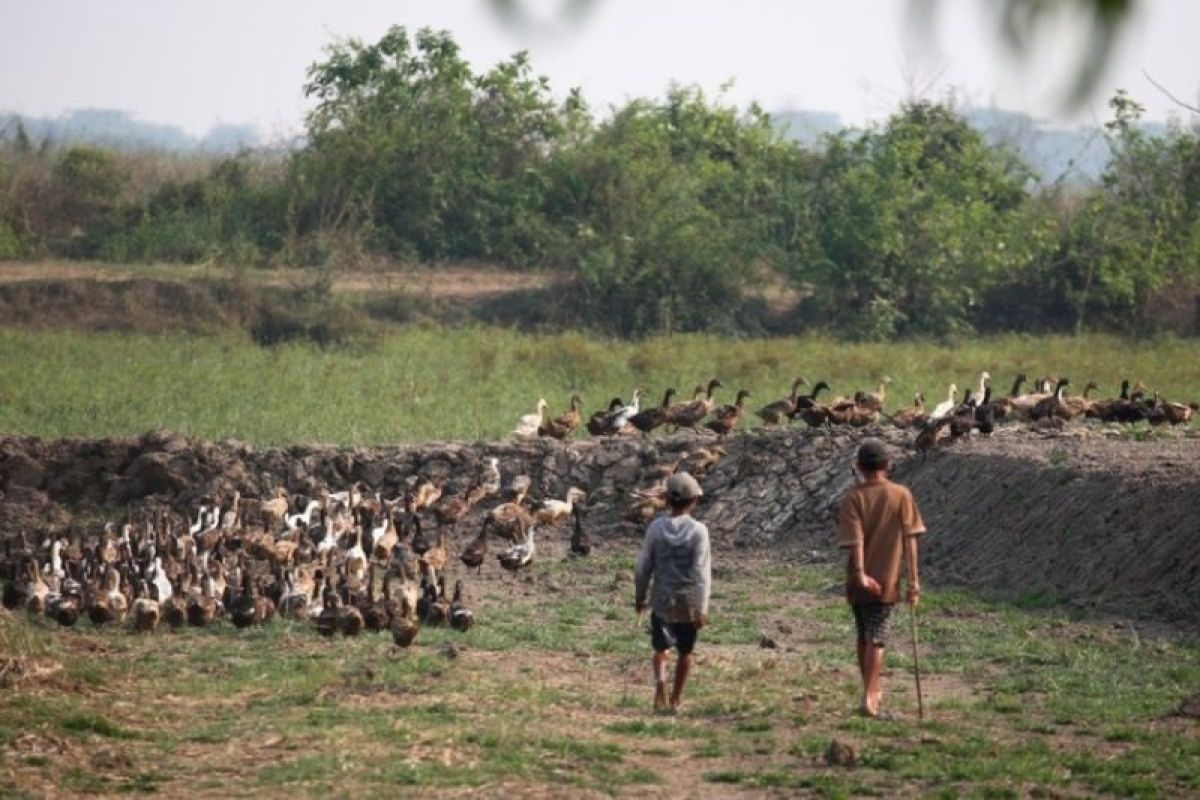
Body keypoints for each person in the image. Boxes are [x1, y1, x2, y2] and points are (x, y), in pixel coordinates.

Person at [837, 438, 925, 718]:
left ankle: (869, 689)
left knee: (864, 633)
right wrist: (913, 580)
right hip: (886, 579)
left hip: (857, 578)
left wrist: (861, 574)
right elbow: (911, 539)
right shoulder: (901, 494)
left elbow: (855, 540)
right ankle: (870, 694)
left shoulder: (853, 497)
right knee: (877, 637)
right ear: (888, 465)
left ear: (859, 467)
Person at [634, 472, 712, 712]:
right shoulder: (699, 531)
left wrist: (640, 597)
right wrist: (702, 608)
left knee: (660, 648)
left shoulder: (656, 528)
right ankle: (676, 699)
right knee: (686, 652)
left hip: (661, 597)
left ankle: (660, 680)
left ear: (668, 500)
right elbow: (701, 572)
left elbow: (643, 566)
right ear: (693, 501)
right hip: (687, 600)